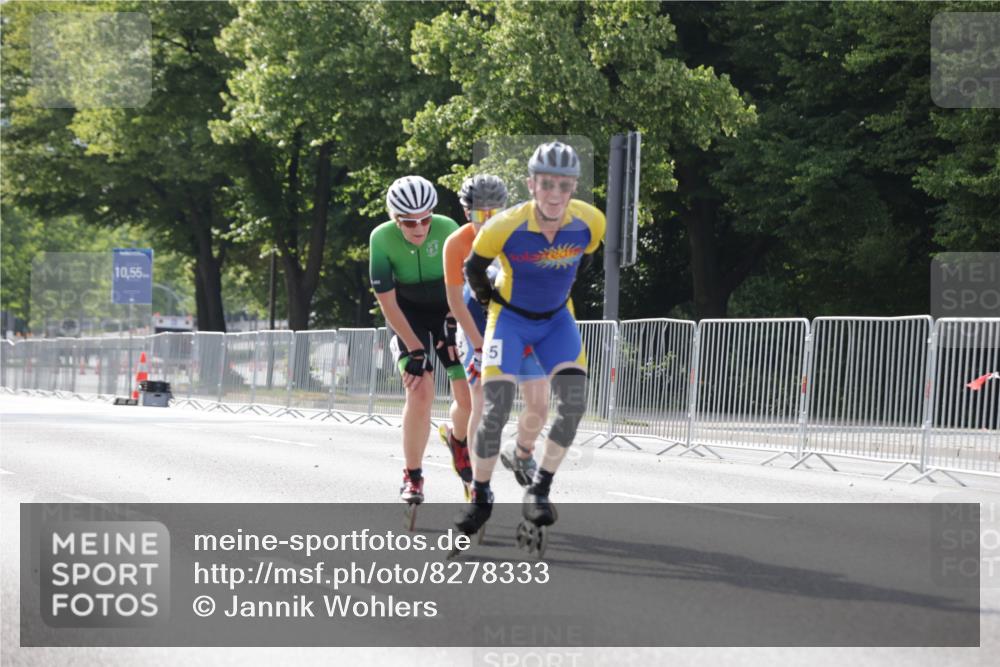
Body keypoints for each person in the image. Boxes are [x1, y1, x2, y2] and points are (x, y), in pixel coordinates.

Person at [456, 142, 606, 534]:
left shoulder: (590, 222)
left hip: (557, 321)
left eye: (564, 185)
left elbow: (585, 260)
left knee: (573, 404)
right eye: (546, 184)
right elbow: (474, 270)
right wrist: (494, 304)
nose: (555, 194)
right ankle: (482, 495)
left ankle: (539, 488)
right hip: (509, 320)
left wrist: (555, 293)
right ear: (531, 184)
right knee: (495, 409)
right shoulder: (503, 226)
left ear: (574, 187)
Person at [442, 175, 550, 513]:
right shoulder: (457, 244)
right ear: (465, 212)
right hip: (475, 323)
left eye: (495, 213)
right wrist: (476, 346)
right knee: (482, 402)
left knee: (540, 402)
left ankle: (521, 453)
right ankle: (478, 484)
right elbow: (456, 303)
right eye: (479, 215)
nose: (488, 221)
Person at [369, 175, 472, 506]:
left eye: (425, 218)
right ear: (394, 219)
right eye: (409, 221)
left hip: (447, 309)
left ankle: (458, 441)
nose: (419, 227)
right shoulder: (381, 239)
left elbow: (465, 285)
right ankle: (412, 476)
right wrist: (414, 348)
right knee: (420, 388)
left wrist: (454, 322)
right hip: (406, 313)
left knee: (467, 395)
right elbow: (387, 302)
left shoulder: (447, 228)